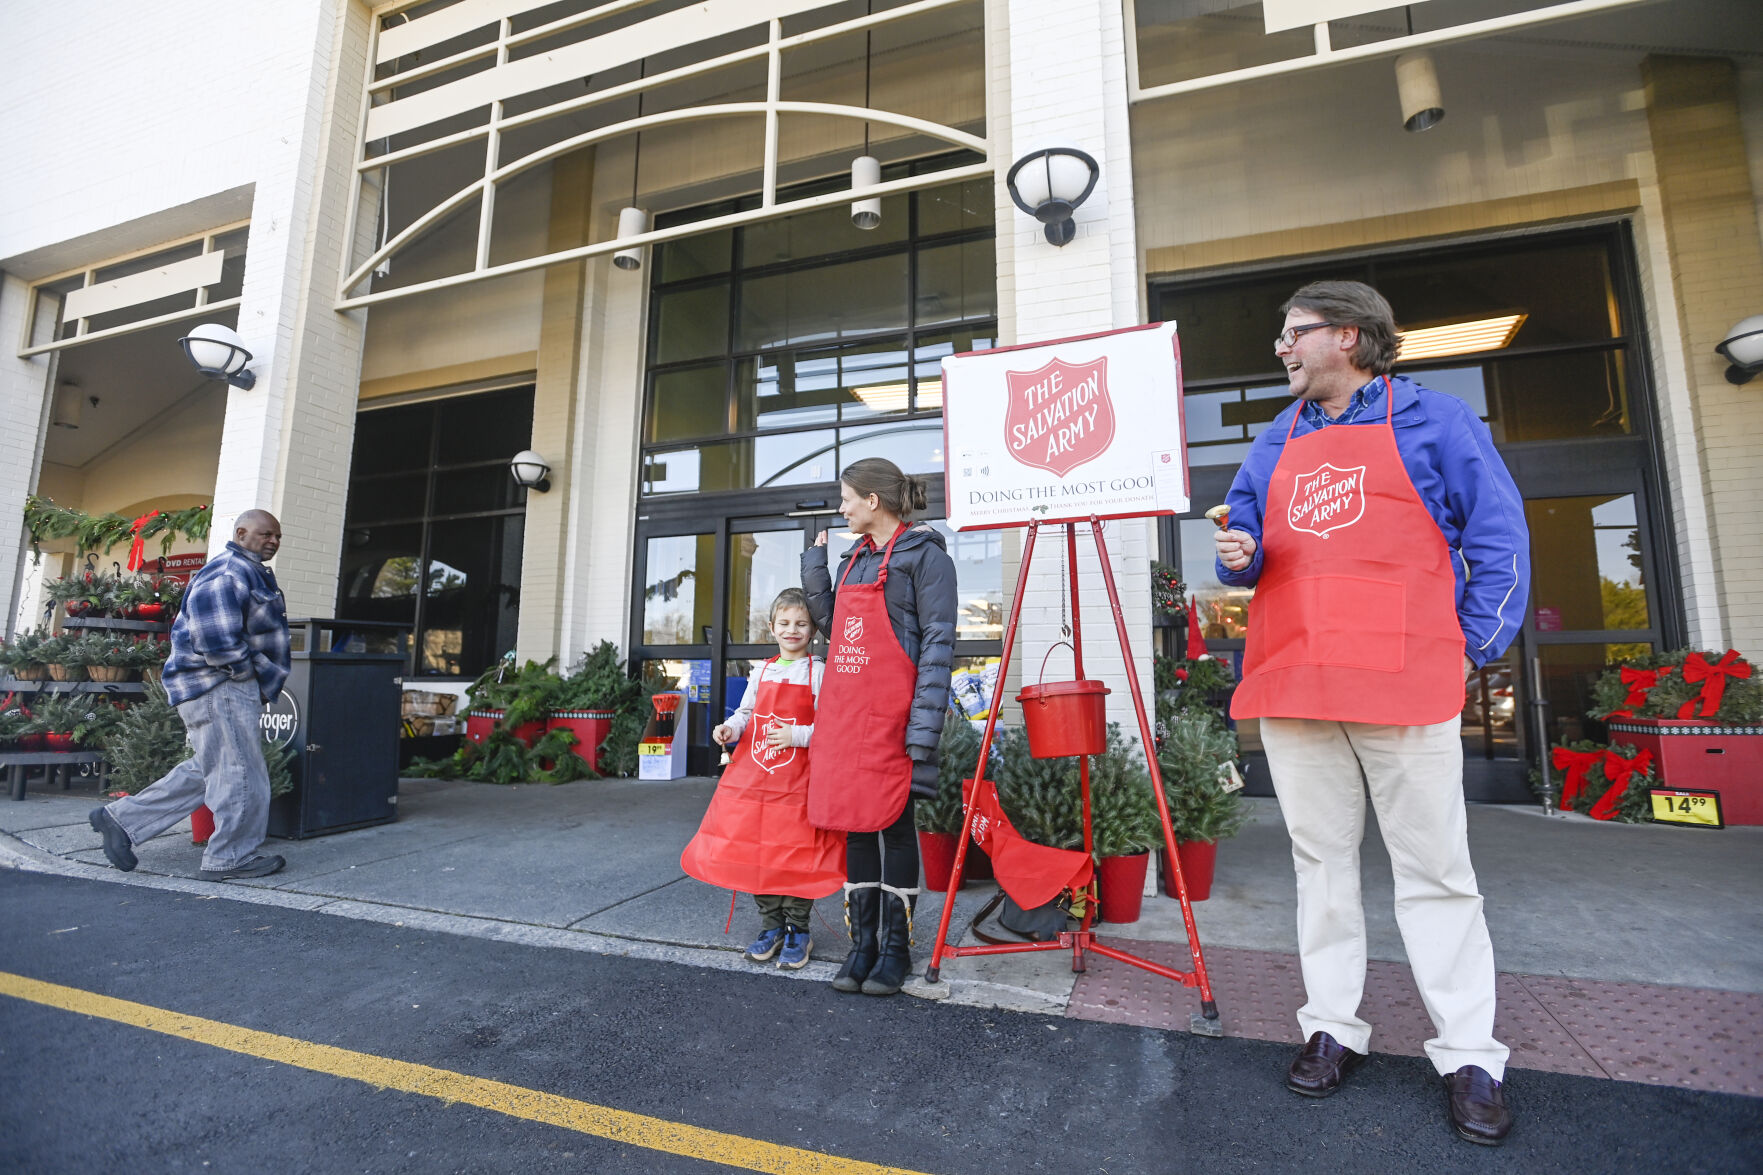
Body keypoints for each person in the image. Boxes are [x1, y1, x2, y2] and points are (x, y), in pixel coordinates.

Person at [1214, 281, 1529, 1145]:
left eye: (1293, 333)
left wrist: (1471, 645)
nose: (1280, 347)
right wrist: (1237, 553)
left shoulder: (1438, 420)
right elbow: (1244, 544)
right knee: (1320, 866)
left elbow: (1496, 534)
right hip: (1295, 679)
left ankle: (1470, 1053)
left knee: (1434, 872)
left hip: (1400, 682)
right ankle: (1331, 1024)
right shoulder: (1273, 438)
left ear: (1348, 336)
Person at [802, 457, 956, 996]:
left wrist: (921, 731)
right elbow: (835, 628)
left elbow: (938, 648)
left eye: (846, 497)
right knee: (856, 825)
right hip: (849, 719)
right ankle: (861, 946)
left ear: (872, 500)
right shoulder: (853, 559)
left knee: (894, 826)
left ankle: (895, 952)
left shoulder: (926, 557)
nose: (841, 507)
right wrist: (813, 564)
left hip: (895, 720)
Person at [89, 510, 293, 881]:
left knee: (212, 769)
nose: (273, 541)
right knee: (239, 773)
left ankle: (120, 821)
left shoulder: (248, 570)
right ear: (241, 532)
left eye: (277, 536)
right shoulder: (229, 570)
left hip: (222, 686)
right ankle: (230, 857)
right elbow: (215, 638)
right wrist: (245, 675)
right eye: (266, 534)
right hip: (221, 686)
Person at [680, 588, 844, 970]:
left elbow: (831, 728)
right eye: (785, 623)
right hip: (758, 784)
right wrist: (730, 729)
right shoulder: (762, 670)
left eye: (801, 624)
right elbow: (747, 712)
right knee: (758, 852)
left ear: (813, 631)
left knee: (797, 856)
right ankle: (771, 926)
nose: (792, 630)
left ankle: (798, 931)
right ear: (772, 627)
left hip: (799, 785)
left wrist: (796, 736)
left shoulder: (818, 672)